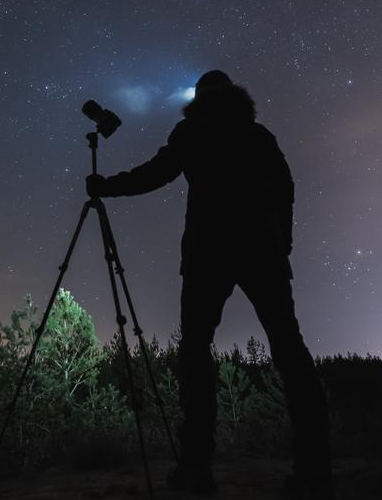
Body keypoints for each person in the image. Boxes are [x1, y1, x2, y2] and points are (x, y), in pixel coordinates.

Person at [86, 70, 333, 499]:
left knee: (197, 353)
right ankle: (315, 465)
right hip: (262, 252)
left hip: (208, 253)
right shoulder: (258, 135)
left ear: (200, 98)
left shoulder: (193, 131)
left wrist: (108, 187)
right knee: (289, 349)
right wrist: (283, 241)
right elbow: (285, 188)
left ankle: (197, 466)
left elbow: (156, 173)